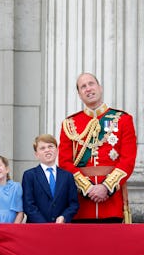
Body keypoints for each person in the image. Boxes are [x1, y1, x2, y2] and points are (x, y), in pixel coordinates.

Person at [59, 73, 137, 223]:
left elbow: (128, 160)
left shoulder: (123, 120)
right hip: (81, 206)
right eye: (83, 87)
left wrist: (106, 187)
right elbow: (65, 162)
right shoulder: (70, 124)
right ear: (79, 94)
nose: (88, 89)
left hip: (112, 203)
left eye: (91, 84)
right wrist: (88, 188)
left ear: (100, 88)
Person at [22, 134, 79, 223]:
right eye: (42, 148)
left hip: (61, 228)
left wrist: (64, 217)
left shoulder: (67, 176)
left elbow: (73, 204)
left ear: (56, 150)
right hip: (37, 229)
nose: (47, 150)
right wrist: (45, 225)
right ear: (36, 154)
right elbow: (28, 205)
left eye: (50, 146)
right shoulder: (30, 175)